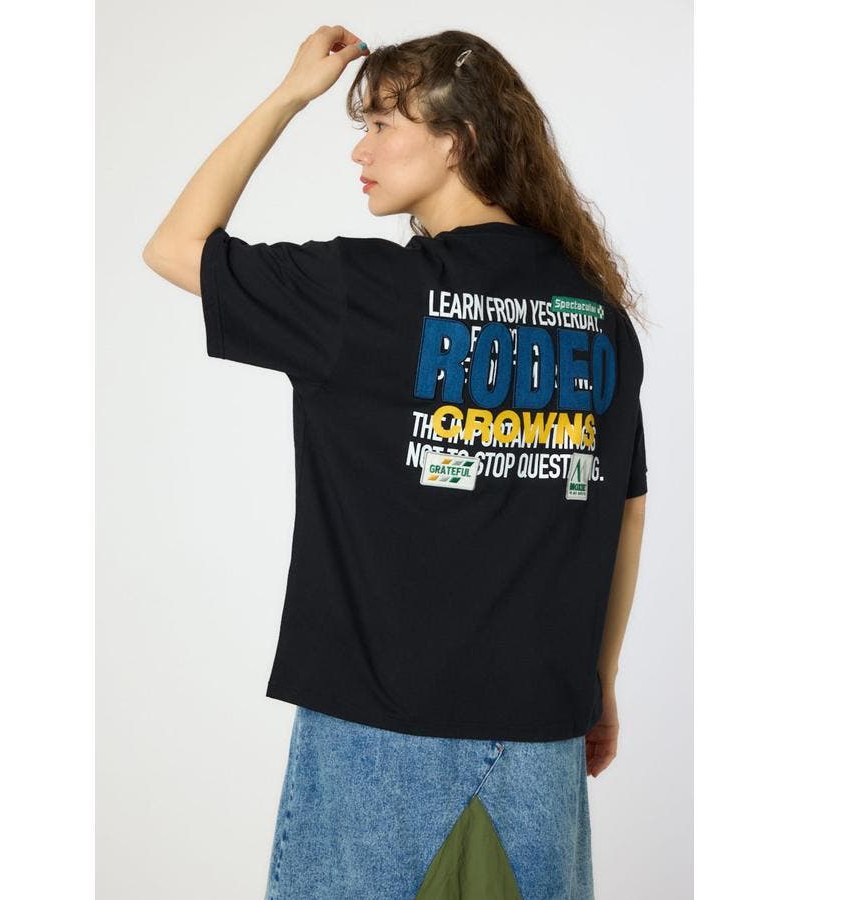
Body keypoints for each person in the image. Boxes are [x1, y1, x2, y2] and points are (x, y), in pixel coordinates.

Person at [143, 25, 649, 900]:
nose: (361, 150)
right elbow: (625, 509)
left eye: (381, 125)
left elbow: (175, 246)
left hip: (376, 742)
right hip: (543, 737)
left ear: (458, 142)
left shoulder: (364, 294)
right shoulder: (596, 313)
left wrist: (290, 94)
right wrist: (599, 682)